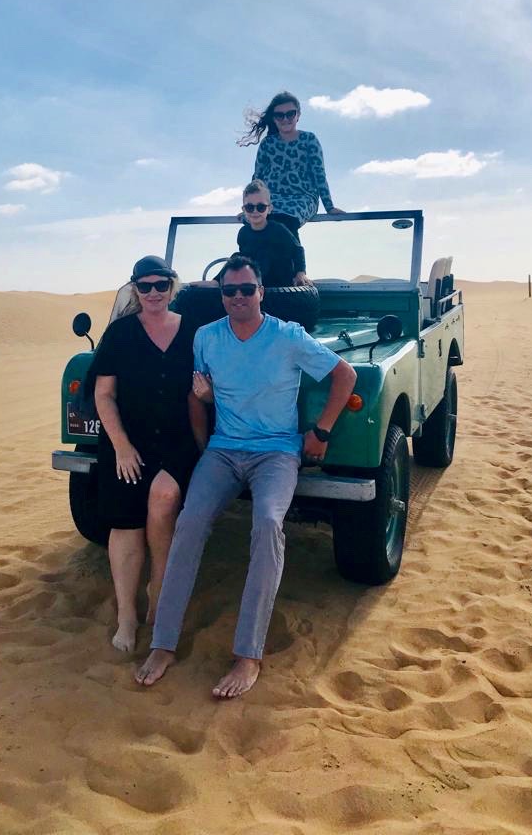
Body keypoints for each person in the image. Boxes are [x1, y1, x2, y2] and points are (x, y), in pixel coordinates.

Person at [135, 254, 356, 698]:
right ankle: (163, 643)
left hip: (276, 451)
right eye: (229, 291)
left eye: (246, 289)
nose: (238, 298)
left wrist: (322, 431)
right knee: (190, 521)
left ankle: (249, 654)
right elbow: (198, 397)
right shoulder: (207, 337)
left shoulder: (288, 336)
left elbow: (344, 374)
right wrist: (203, 450)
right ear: (221, 296)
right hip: (222, 450)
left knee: (269, 523)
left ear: (261, 291)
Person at [92, 255, 199, 654]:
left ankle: (159, 596)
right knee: (125, 523)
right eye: (145, 286)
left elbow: (204, 386)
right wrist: (121, 445)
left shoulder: (193, 331)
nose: (153, 293)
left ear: (172, 286)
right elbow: (104, 394)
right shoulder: (120, 334)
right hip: (128, 440)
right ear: (134, 290)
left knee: (164, 499)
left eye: (161, 285)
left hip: (176, 439)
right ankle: (126, 615)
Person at [239, 91, 345, 239]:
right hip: (271, 199)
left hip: (302, 197)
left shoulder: (309, 140)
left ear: (298, 115)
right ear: (274, 118)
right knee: (253, 225)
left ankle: (291, 261)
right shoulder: (267, 144)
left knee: (285, 222)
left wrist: (330, 207)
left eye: (290, 114)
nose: (285, 119)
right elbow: (258, 178)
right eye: (280, 115)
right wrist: (250, 207)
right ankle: (252, 262)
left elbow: (319, 175)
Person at [237, 179, 309, 287]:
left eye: (261, 207)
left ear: (269, 209)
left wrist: (300, 273)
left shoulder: (278, 229)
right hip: (257, 282)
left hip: (281, 281)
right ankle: (217, 282)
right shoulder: (243, 233)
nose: (255, 211)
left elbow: (297, 250)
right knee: (236, 258)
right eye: (250, 207)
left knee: (265, 253)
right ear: (244, 210)